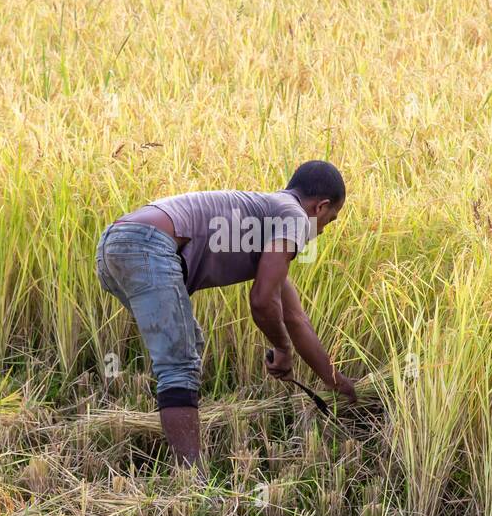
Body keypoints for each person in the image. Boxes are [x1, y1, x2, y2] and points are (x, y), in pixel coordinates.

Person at [95, 160, 357, 466]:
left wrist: (334, 381)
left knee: (187, 345)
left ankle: (184, 463)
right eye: (330, 220)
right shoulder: (295, 216)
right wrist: (283, 349)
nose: (323, 232)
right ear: (319, 207)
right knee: (179, 363)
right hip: (147, 245)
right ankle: (191, 482)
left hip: (115, 243)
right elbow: (261, 300)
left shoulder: (267, 215)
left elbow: (294, 317)